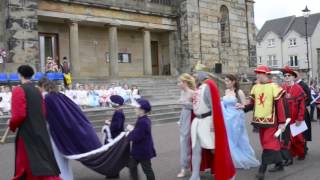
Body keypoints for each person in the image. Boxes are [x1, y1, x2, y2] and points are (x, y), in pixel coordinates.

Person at [8, 65, 61, 180]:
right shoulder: (37, 91)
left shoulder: (18, 90)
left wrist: (11, 124)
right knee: (41, 164)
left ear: (20, 75)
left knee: (25, 165)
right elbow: (43, 112)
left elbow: (19, 115)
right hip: (40, 131)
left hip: (27, 134)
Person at [237, 66, 286, 180]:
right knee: (267, 144)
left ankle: (262, 170)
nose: (257, 75)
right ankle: (280, 164)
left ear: (266, 74)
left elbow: (280, 106)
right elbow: (253, 104)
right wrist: (243, 107)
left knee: (268, 144)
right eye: (257, 73)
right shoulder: (256, 87)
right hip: (259, 121)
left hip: (272, 122)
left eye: (260, 73)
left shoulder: (274, 87)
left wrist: (282, 122)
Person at [189, 71, 235, 180]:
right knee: (196, 148)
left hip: (207, 121)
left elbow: (214, 105)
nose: (193, 77)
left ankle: (226, 171)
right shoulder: (199, 87)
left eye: (195, 75)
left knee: (215, 149)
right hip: (197, 121)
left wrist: (213, 123)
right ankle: (195, 174)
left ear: (200, 76)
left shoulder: (208, 86)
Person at [222, 74, 260, 169]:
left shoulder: (239, 92)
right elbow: (225, 105)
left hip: (236, 119)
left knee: (237, 138)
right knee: (228, 138)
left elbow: (244, 106)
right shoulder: (226, 91)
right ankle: (230, 158)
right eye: (225, 80)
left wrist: (240, 107)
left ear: (233, 81)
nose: (225, 82)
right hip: (227, 118)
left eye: (227, 81)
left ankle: (241, 158)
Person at [127, 98, 156, 180]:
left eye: (136, 108)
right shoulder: (143, 119)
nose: (134, 110)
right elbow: (139, 132)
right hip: (138, 150)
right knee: (132, 166)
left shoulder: (143, 121)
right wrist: (133, 129)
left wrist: (129, 133)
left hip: (143, 151)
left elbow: (137, 136)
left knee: (147, 170)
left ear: (142, 110)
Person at [281, 67, 306, 162]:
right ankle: (290, 155)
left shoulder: (298, 88)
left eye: (289, 75)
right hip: (284, 118)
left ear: (293, 77)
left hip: (295, 118)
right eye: (285, 76)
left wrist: (299, 119)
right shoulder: (282, 87)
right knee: (286, 138)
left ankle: (301, 153)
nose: (286, 77)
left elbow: (302, 106)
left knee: (298, 138)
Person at [176, 73, 195, 178]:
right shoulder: (182, 92)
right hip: (184, 117)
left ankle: (186, 167)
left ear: (185, 82)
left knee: (186, 143)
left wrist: (184, 103)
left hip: (190, 118)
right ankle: (185, 166)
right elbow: (184, 106)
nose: (178, 84)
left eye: (179, 82)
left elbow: (195, 107)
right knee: (184, 142)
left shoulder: (193, 93)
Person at [294, 71, 312, 153]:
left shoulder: (303, 85)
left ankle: (304, 148)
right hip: (295, 112)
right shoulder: (293, 85)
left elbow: (309, 99)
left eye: (294, 75)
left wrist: (301, 106)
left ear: (298, 76)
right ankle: (299, 148)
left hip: (302, 112)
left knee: (302, 131)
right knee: (297, 131)